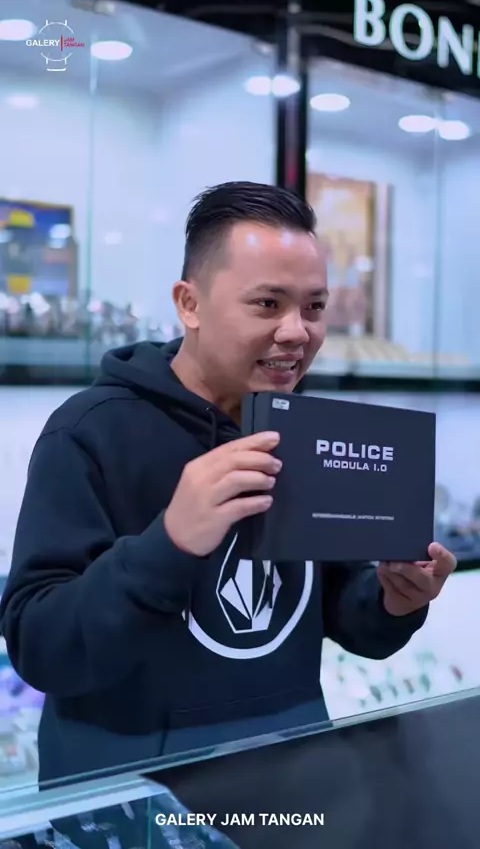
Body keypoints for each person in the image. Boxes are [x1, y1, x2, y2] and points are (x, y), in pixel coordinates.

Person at [0, 182, 456, 787]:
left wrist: (394, 598)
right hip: (135, 803)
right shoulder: (88, 432)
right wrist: (169, 542)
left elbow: (342, 609)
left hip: (290, 786)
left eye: (314, 308)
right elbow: (39, 645)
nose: (296, 332)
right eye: (267, 304)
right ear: (189, 303)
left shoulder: (306, 427)